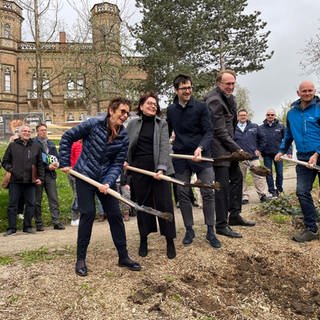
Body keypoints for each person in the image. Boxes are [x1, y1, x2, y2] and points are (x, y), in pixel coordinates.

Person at [59, 97, 141, 276]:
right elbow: (67, 137)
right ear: (112, 110)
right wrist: (65, 162)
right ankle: (80, 259)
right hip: (84, 176)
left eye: (127, 113)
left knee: (115, 214)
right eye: (122, 112)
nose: (125, 116)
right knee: (87, 214)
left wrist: (108, 182)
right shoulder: (93, 124)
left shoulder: (123, 136)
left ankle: (123, 256)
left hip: (104, 179)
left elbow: (117, 164)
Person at [167, 74, 221, 249]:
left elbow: (208, 132)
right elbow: (167, 133)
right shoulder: (171, 110)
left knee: (208, 191)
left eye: (190, 87)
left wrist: (200, 148)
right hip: (181, 157)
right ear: (176, 90)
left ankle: (211, 231)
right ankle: (189, 230)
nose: (188, 91)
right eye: (184, 88)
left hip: (201, 155)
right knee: (182, 192)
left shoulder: (201, 107)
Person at [205, 69, 255, 239]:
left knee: (238, 178)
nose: (231, 87)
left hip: (229, 148)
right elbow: (219, 131)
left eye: (233, 83)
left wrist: (235, 148)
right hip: (218, 150)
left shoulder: (230, 98)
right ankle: (221, 224)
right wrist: (238, 150)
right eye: (228, 84)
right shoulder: (213, 100)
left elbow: (231, 126)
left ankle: (234, 215)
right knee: (222, 187)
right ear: (219, 83)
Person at [125, 92, 177, 259]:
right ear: (141, 106)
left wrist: (161, 168)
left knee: (165, 205)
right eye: (149, 103)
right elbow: (125, 146)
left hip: (159, 171)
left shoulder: (162, 124)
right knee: (143, 206)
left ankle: (170, 241)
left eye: (155, 104)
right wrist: (125, 163)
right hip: (139, 171)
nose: (153, 106)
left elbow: (164, 147)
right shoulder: (132, 124)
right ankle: (143, 239)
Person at [275, 80, 320, 243]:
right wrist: (281, 150)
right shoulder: (291, 113)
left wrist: (317, 154)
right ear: (298, 93)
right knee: (302, 191)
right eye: (304, 91)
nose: (307, 93)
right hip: (303, 158)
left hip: (318, 155)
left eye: (310, 90)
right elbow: (288, 135)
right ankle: (311, 228)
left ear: (315, 91)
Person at [2, 125, 44, 236]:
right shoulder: (12, 146)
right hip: (15, 181)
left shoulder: (36, 146)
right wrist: (12, 170)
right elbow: (5, 162)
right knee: (12, 205)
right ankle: (11, 228)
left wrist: (41, 178)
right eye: (24, 131)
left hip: (31, 181)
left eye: (29, 131)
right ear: (20, 133)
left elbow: (40, 164)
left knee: (31, 204)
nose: (27, 133)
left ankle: (28, 227)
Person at [34, 123, 65, 231]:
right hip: (38, 175)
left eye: (45, 130)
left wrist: (56, 163)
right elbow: (35, 160)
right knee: (37, 200)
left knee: (54, 199)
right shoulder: (33, 143)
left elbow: (55, 157)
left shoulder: (51, 143)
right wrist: (47, 166)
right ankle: (39, 223)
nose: (44, 132)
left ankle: (56, 222)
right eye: (41, 130)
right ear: (37, 132)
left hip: (50, 175)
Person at [234, 109, 267, 204]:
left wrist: (259, 149)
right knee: (241, 177)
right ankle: (244, 196)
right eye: (241, 115)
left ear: (247, 116)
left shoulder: (254, 126)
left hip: (253, 157)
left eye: (244, 115)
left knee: (259, 176)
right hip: (240, 158)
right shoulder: (233, 128)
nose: (243, 117)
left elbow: (263, 138)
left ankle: (262, 195)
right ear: (238, 116)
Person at [260, 108, 291, 197]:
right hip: (266, 154)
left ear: (275, 116)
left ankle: (279, 189)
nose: (270, 116)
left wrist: (288, 152)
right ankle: (271, 191)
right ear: (266, 116)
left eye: (272, 115)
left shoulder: (281, 126)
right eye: (268, 115)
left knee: (280, 172)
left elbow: (287, 140)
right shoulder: (261, 128)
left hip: (278, 154)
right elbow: (258, 140)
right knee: (268, 173)